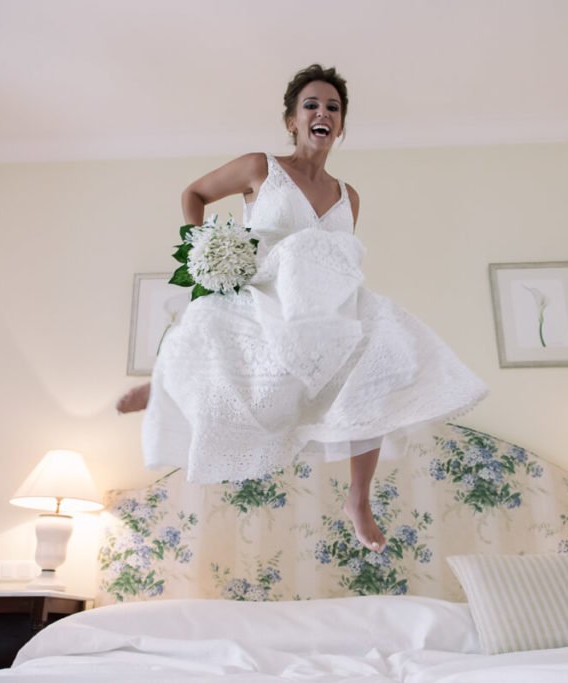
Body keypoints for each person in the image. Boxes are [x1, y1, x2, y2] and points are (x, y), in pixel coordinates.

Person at [119, 65, 487, 552]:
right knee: (230, 342)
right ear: (292, 121)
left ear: (340, 126)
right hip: (268, 294)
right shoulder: (261, 168)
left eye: (332, 108)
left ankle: (358, 498)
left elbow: (339, 261)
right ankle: (170, 380)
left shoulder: (348, 196)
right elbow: (195, 194)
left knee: (384, 358)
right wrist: (202, 244)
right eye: (311, 105)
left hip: (327, 312)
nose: (322, 113)